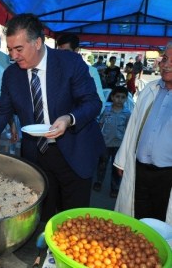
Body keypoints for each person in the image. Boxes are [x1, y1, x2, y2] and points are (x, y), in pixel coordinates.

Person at [0, 13, 105, 223]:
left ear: (37, 42)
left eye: (19, 49)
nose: (13, 56)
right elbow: (1, 113)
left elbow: (92, 102)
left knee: (74, 220)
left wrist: (69, 118)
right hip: (37, 156)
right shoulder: (12, 74)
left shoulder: (69, 62)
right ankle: (42, 253)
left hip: (74, 152)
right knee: (39, 216)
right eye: (9, 49)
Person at [114, 42, 172, 224]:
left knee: (163, 225)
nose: (166, 64)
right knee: (138, 220)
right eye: (165, 58)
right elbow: (133, 127)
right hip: (140, 169)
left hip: (167, 177)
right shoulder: (150, 89)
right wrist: (122, 160)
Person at [93, 86, 130, 198]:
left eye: (123, 97)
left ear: (126, 99)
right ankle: (99, 182)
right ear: (112, 97)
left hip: (119, 145)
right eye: (117, 96)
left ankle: (115, 187)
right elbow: (100, 124)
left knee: (116, 167)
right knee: (102, 164)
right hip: (105, 143)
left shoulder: (127, 113)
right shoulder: (107, 110)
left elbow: (129, 129)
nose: (120, 99)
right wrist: (97, 138)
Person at [56, 33, 106, 115]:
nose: (62, 56)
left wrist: (75, 119)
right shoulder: (55, 69)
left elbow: (100, 103)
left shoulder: (90, 71)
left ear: (76, 50)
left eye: (66, 52)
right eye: (59, 52)